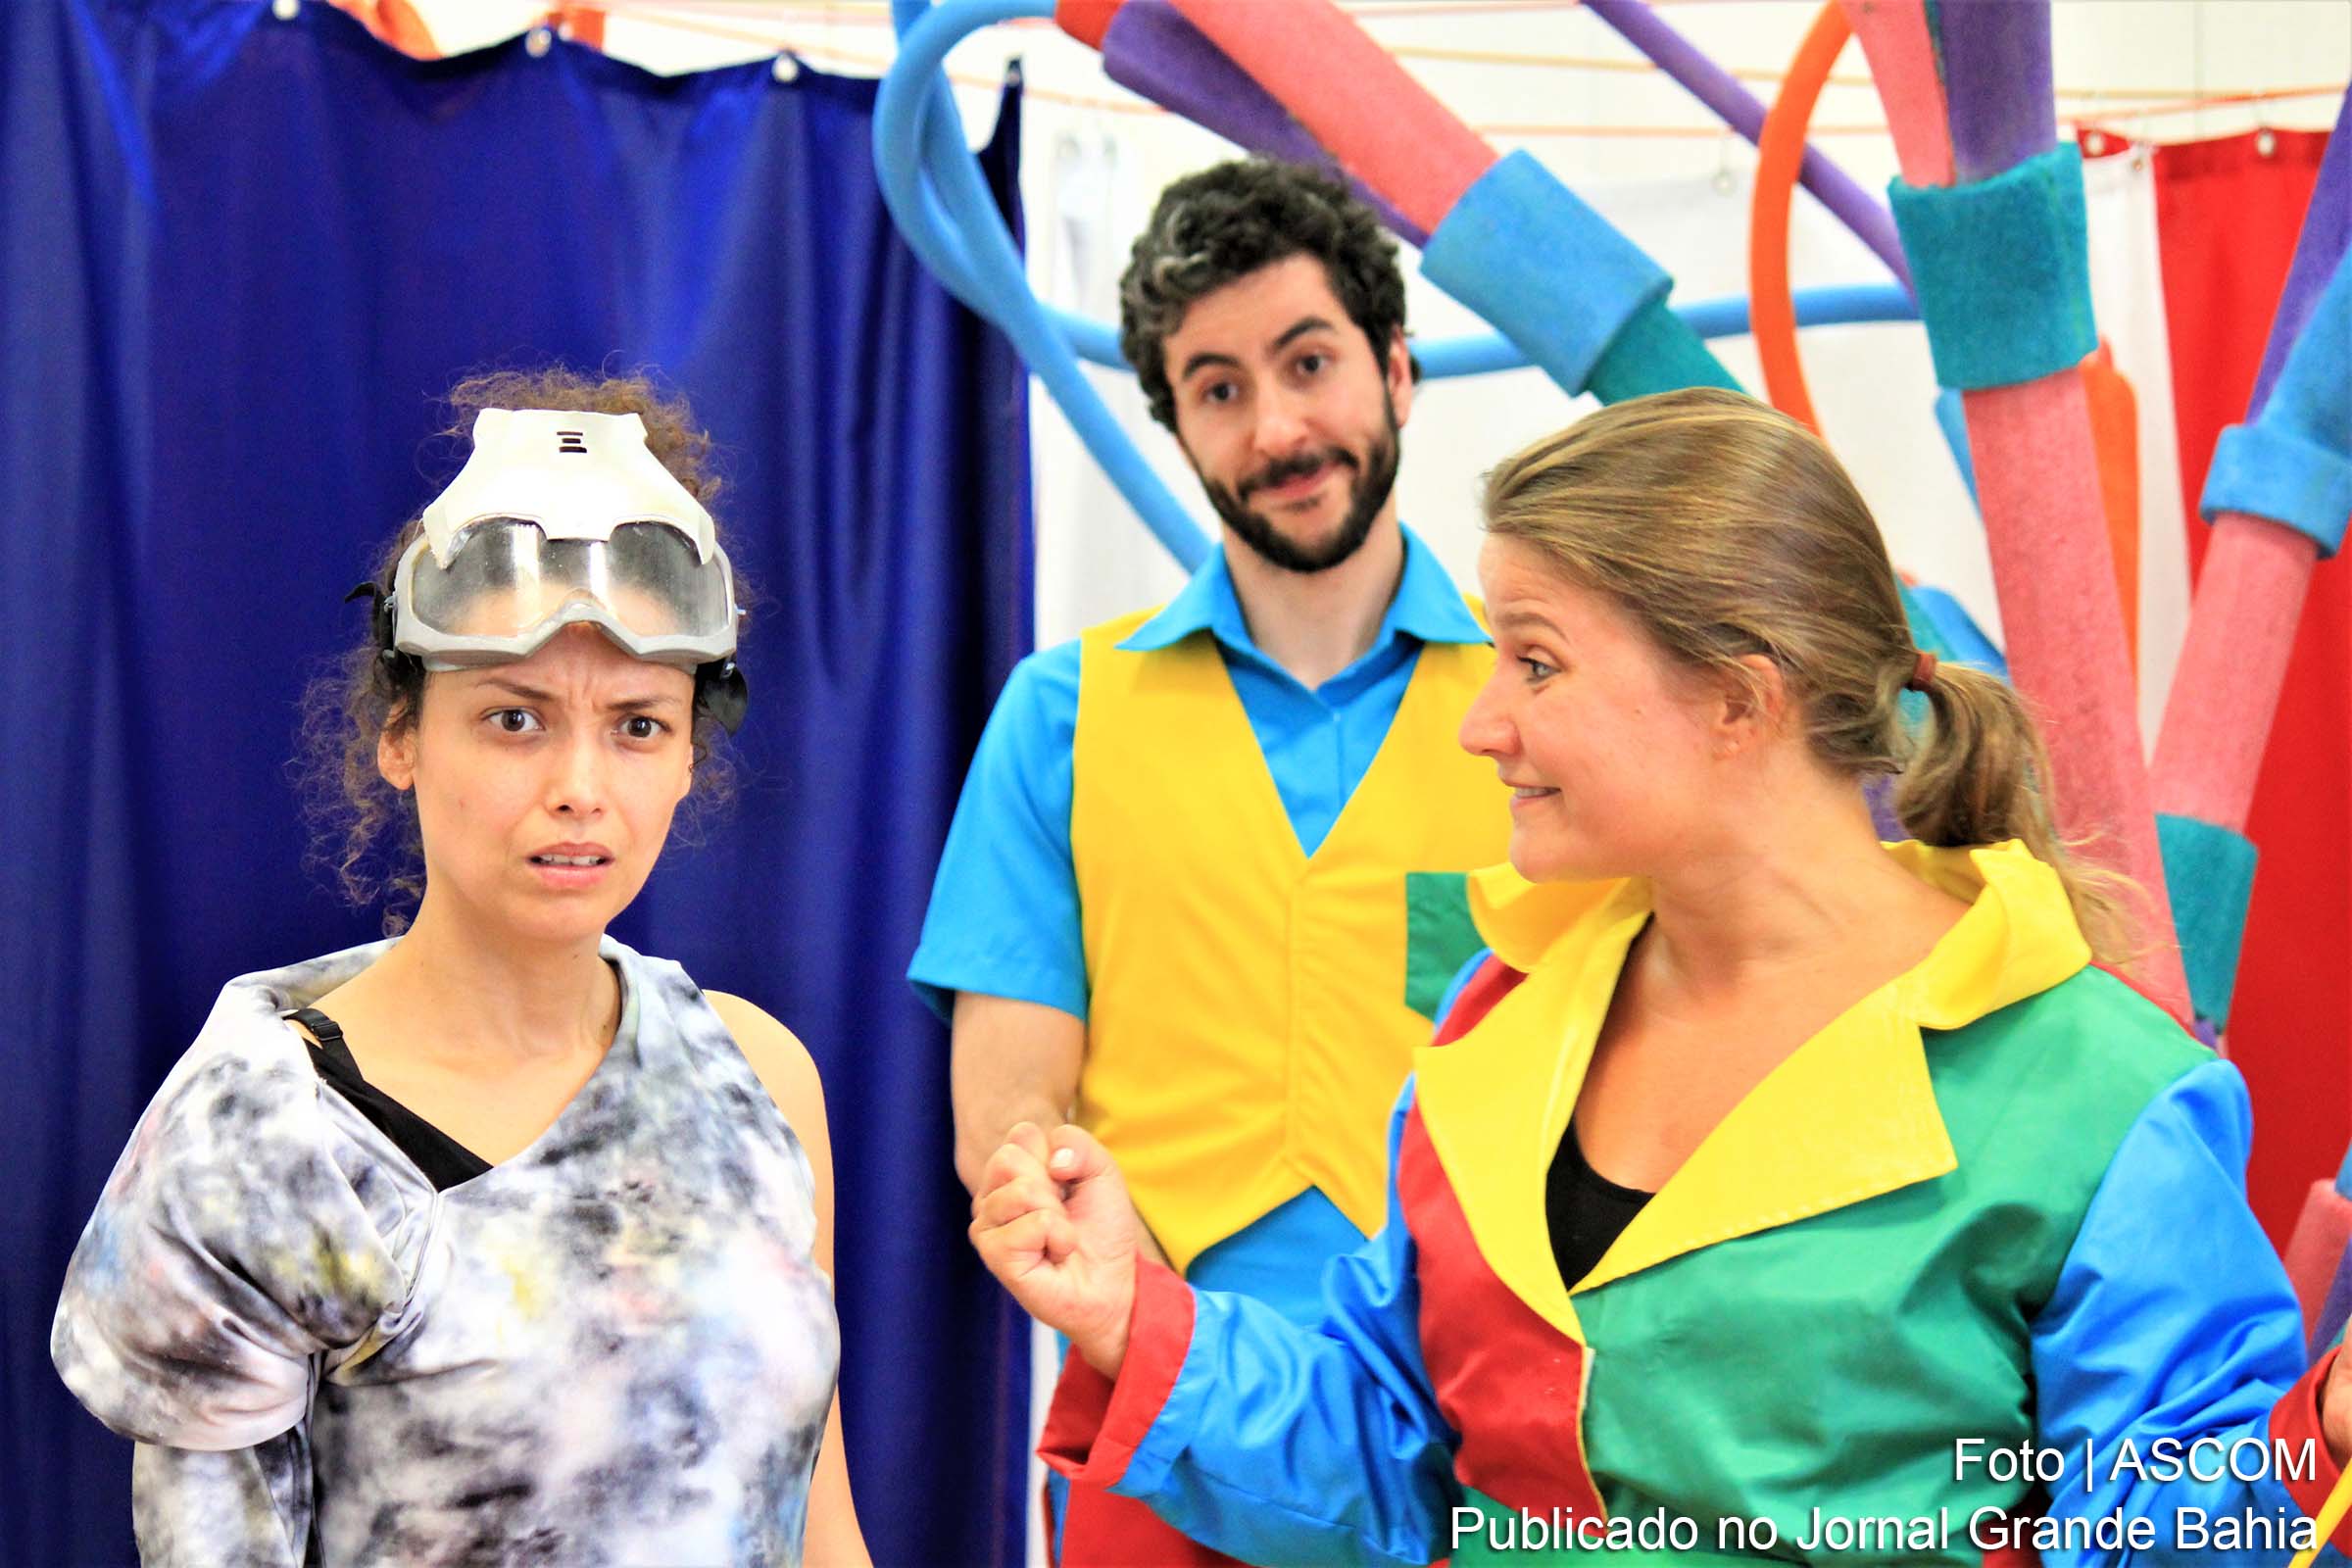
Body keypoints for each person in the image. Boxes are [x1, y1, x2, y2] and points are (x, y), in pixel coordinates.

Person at [970, 388, 2352, 1567]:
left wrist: (2324, 1434)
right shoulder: (1502, 1025)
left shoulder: (2093, 1091)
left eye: (1536, 663)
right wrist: (1132, 1314)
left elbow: (2167, 1527)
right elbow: (1398, 1460)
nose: (1484, 724)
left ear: (1739, 700)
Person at [52, 371, 870, 1568]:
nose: (580, 787)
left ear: (691, 750)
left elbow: (816, 1523)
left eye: (638, 722)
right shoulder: (263, 1135)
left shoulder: (758, 1084)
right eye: (515, 718)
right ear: (400, 733)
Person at [909, 158, 1506, 1560]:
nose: (1279, 426)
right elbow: (1007, 1114)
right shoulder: (1061, 716)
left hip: (1476, 1412)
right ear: (1175, 421)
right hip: (1154, 1407)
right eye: (1220, 387)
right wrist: (1140, 1317)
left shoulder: (1534, 708)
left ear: (1399, 370)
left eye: (1310, 362)